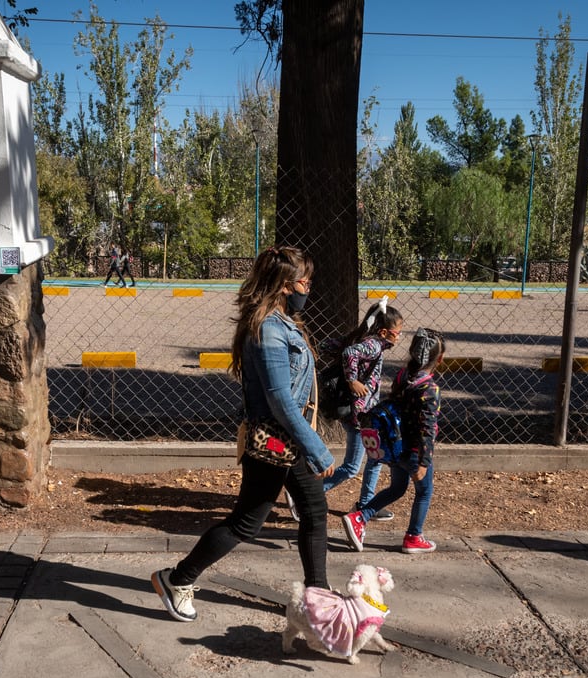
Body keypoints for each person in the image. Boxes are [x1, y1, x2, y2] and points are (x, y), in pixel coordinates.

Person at [152, 246, 335, 622]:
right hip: (275, 442)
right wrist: (318, 448)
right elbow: (281, 400)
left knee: (315, 511)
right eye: (305, 281)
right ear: (286, 285)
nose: (309, 288)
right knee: (246, 523)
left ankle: (318, 597)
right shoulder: (269, 328)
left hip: (289, 441)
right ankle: (177, 579)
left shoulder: (282, 321)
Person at [341, 328, 444, 555]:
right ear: (440, 359)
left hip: (395, 446)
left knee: (397, 488)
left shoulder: (402, 376)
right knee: (424, 492)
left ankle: (360, 517)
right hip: (415, 451)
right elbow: (428, 429)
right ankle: (414, 537)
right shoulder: (430, 389)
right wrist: (424, 462)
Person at [320, 298, 404, 522]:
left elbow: (327, 346)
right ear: (385, 331)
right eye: (398, 332)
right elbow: (350, 354)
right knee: (351, 467)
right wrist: (352, 380)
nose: (400, 336)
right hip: (360, 415)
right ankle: (309, 494)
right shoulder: (374, 344)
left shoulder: (366, 340)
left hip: (363, 414)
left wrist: (352, 339)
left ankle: (367, 504)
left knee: (375, 460)